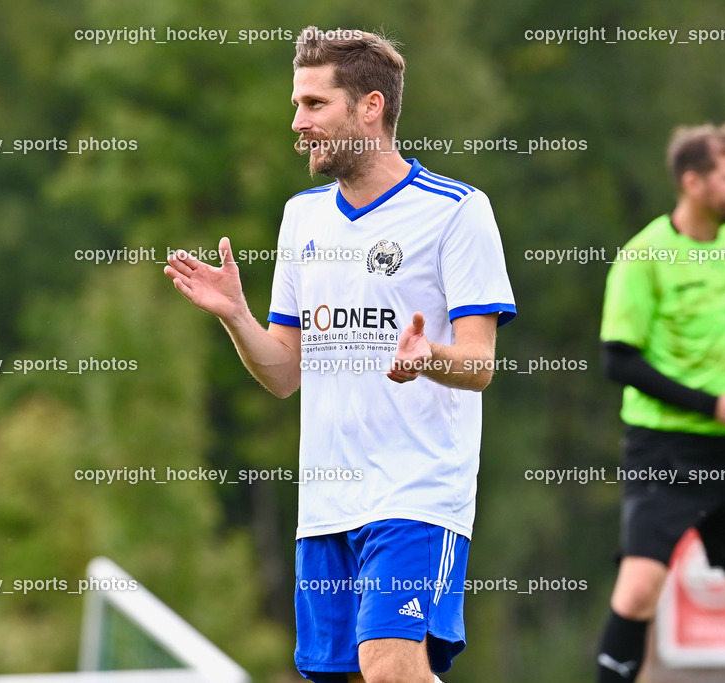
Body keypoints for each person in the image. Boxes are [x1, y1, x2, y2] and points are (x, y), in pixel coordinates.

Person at [164, 26, 515, 683]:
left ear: (371, 106)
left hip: (416, 494)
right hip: (326, 505)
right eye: (297, 104)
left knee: (388, 668)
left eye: (315, 104)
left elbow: (479, 363)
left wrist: (428, 357)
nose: (298, 123)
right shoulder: (303, 218)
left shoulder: (457, 211)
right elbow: (283, 373)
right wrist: (237, 316)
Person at [596, 122, 725, 683]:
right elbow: (618, 361)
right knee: (639, 590)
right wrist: (715, 406)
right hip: (663, 450)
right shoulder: (643, 255)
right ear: (693, 182)